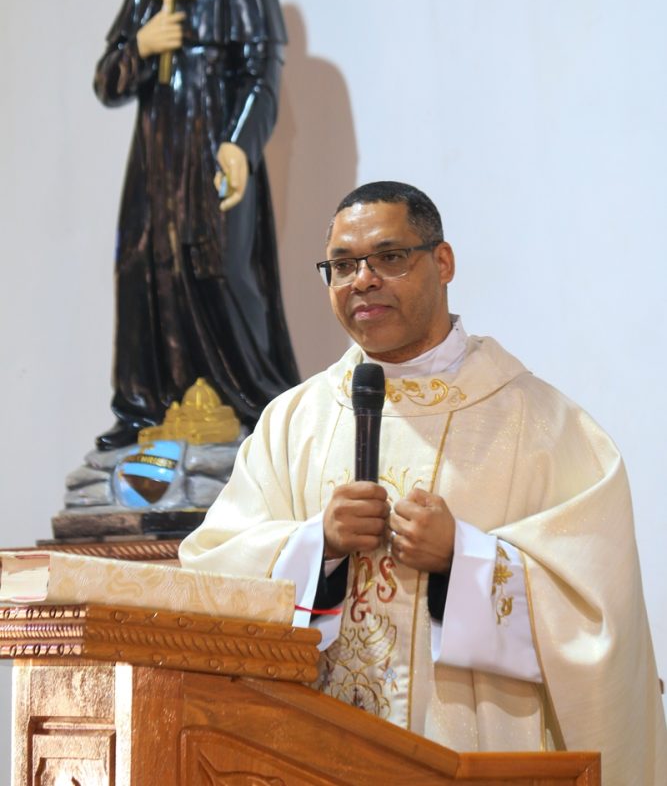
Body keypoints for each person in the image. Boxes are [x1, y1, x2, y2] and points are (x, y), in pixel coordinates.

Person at [179, 181, 666, 784]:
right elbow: (209, 572)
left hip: (472, 757)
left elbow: (599, 617)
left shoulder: (542, 425)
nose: (362, 280)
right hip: (307, 757)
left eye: (389, 257)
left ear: (443, 262)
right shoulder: (292, 422)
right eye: (342, 265)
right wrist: (316, 544)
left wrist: (463, 559)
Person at [94, 0, 299, 451]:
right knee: (142, 270)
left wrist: (240, 146)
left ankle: (252, 410)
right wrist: (142, 46)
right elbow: (107, 82)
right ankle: (145, 407)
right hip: (154, 163)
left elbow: (262, 75)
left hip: (213, 156)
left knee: (219, 272)